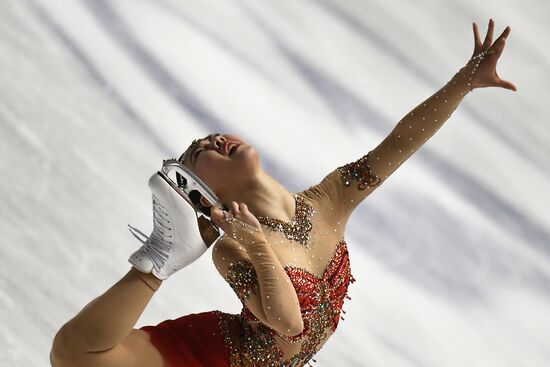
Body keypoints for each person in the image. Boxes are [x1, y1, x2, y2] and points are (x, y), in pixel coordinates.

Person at [50, 19, 516, 367]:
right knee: (74, 355)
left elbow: (399, 143)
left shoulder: (329, 199)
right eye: (197, 152)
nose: (211, 140)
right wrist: (257, 245)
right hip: (220, 358)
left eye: (209, 136)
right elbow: (289, 326)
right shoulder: (232, 249)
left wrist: (463, 83)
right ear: (203, 192)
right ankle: (160, 257)